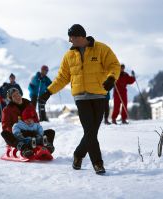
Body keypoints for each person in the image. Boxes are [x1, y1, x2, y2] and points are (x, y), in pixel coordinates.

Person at [39, 24, 120, 174]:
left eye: (72, 37)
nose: (70, 40)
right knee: (90, 130)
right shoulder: (69, 56)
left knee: (92, 132)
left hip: (99, 95)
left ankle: (78, 154)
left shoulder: (101, 48)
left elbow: (114, 65)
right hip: (81, 97)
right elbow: (62, 78)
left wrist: (111, 78)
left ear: (81, 37)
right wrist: (48, 91)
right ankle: (98, 163)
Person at [1, 88, 55, 158]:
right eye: (14, 96)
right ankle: (24, 149)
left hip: (33, 132)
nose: (17, 96)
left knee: (50, 132)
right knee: (4, 133)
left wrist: (36, 132)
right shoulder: (7, 109)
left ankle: (48, 147)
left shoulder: (29, 105)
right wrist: (17, 133)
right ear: (11, 99)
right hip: (18, 134)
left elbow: (36, 121)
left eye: (18, 94)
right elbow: (6, 126)